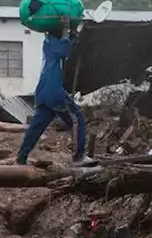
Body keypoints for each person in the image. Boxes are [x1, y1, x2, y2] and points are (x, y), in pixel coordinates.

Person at [16, 17, 94, 166]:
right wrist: (66, 30)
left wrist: (70, 33)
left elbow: (70, 46)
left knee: (37, 126)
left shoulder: (49, 42)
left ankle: (21, 157)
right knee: (77, 119)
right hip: (54, 91)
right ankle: (78, 157)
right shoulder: (53, 44)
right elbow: (65, 49)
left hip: (45, 90)